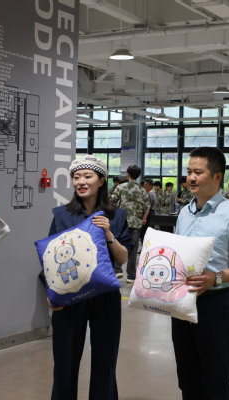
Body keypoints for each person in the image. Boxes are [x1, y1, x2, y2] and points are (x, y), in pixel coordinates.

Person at [47, 155, 134, 400]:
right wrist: (50, 293)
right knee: (64, 363)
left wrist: (108, 233)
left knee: (105, 363)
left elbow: (123, 257)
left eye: (87, 176)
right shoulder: (62, 215)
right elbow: (50, 257)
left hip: (105, 296)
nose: (81, 182)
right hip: (69, 296)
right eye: (76, 177)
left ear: (101, 181)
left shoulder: (117, 216)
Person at [173, 147, 229, 400]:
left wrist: (216, 277)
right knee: (187, 377)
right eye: (189, 172)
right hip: (181, 302)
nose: (191, 178)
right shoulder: (184, 213)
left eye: (198, 172)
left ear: (217, 177)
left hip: (214, 303)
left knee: (215, 378)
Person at [110, 165, 150, 283]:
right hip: (136, 222)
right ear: (138, 176)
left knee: (118, 244)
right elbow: (147, 207)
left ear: (128, 174)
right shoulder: (142, 190)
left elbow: (112, 201)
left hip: (122, 221)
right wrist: (144, 218)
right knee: (133, 247)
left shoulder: (120, 187)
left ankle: (117, 270)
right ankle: (131, 276)